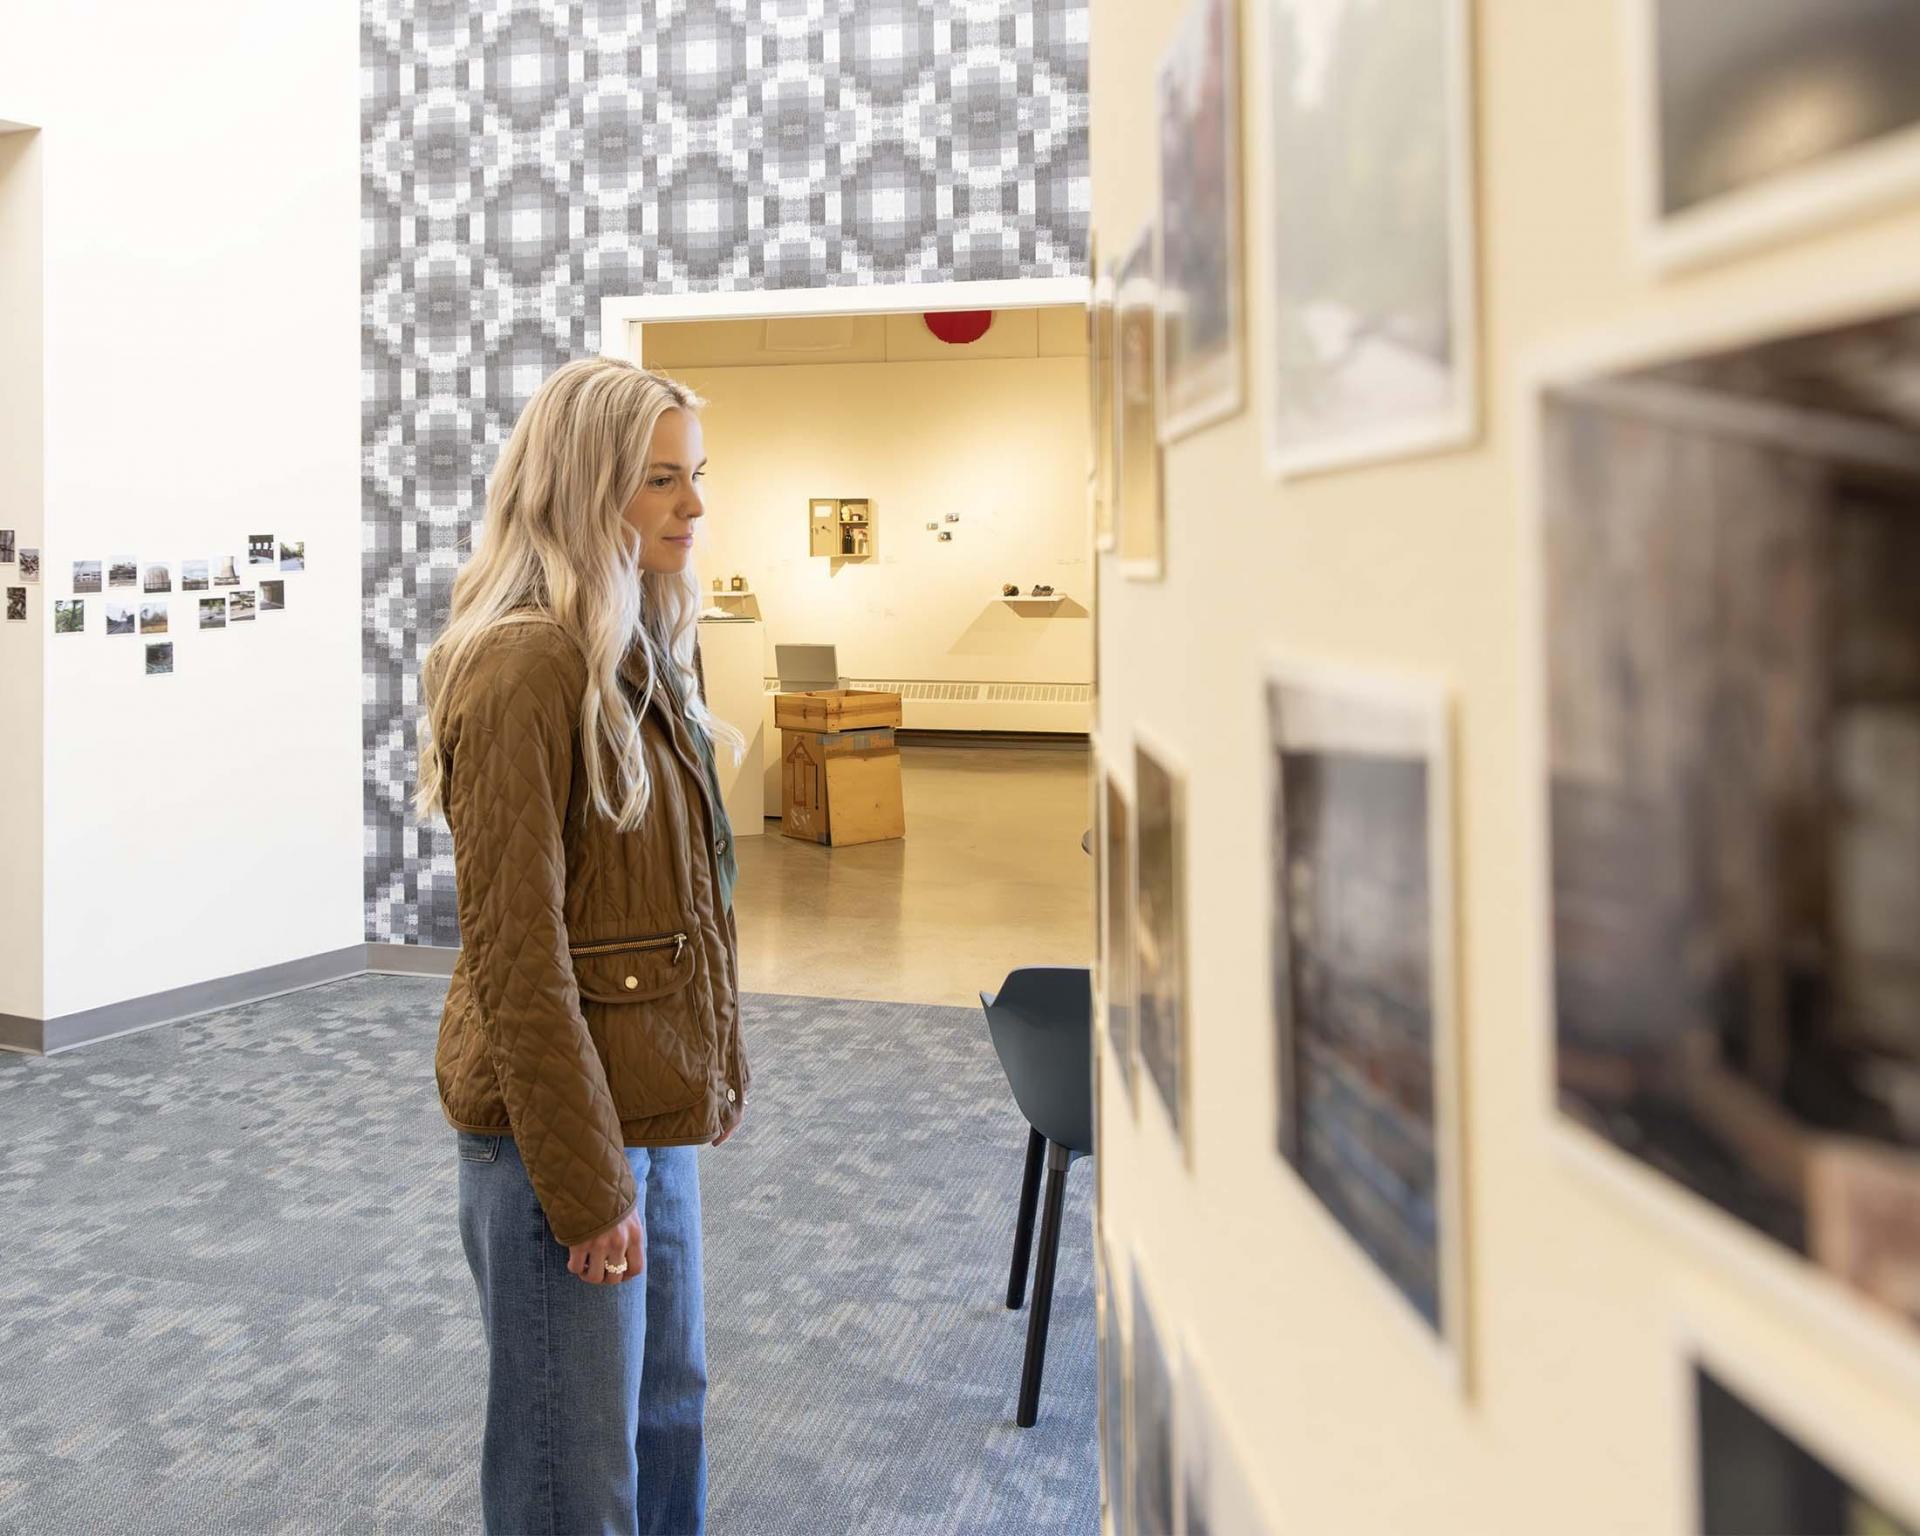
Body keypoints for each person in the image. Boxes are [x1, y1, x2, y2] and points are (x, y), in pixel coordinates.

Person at [413, 356, 749, 1535]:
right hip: (554, 1137)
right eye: (662, 482)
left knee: (668, 1417)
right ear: (581, 489)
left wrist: (707, 1074)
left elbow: (684, 904)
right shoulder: (522, 665)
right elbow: (518, 953)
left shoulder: (643, 643)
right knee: (574, 1473)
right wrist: (587, 1183)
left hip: (646, 1104)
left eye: (696, 476)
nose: (694, 509)